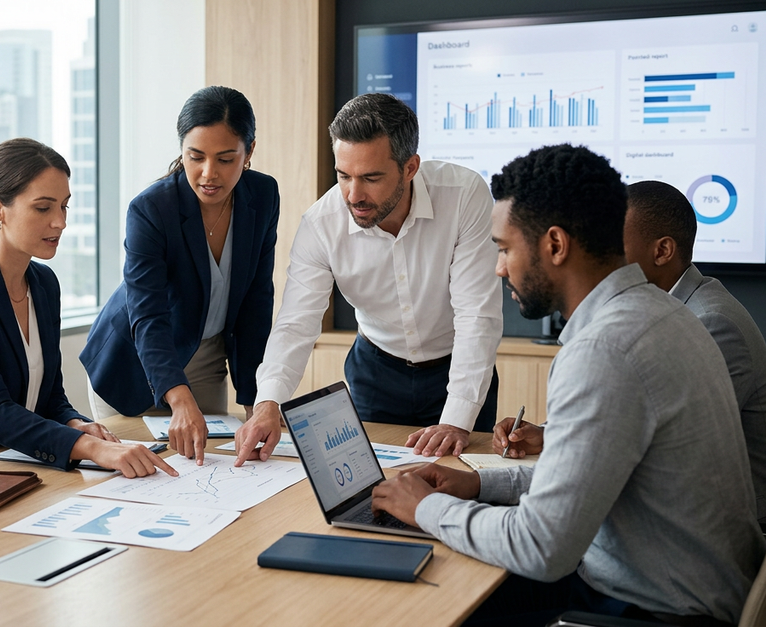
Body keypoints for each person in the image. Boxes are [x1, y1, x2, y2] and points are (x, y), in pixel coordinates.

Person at [372, 145, 764, 626]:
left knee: (428, 606)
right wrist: (478, 482)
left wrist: (428, 508)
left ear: (554, 245)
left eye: (504, 248)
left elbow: (541, 547)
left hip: (648, 611)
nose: (499, 269)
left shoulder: (606, 349)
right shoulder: (664, 314)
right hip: (667, 587)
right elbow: (588, 473)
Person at [235, 92, 502, 464]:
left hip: (459, 369)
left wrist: (457, 420)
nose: (353, 195)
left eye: (371, 178)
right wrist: (268, 404)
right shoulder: (321, 224)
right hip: (376, 373)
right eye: (343, 176)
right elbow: (296, 324)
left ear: (410, 168)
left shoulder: (464, 196)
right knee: (370, 491)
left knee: (461, 481)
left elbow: (477, 315)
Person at [0, 138, 175, 479]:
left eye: (64, 207)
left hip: (7, 464)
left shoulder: (43, 284)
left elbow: (49, 394)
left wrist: (75, 423)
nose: (60, 222)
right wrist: (93, 450)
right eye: (43, 208)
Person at [496, 180, 766, 527]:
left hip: (717, 528)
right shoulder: (661, 313)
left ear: (663, 251)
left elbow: (636, 442)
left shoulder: (707, 321)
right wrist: (549, 433)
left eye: (613, 246)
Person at [81, 86, 279, 464]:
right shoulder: (151, 209)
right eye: (196, 157)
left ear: (249, 152)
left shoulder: (263, 195)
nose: (209, 173)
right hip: (134, 364)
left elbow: (257, 300)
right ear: (182, 151)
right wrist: (178, 397)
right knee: (142, 480)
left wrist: (257, 399)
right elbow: (147, 315)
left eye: (225, 159)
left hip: (206, 360)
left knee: (213, 471)